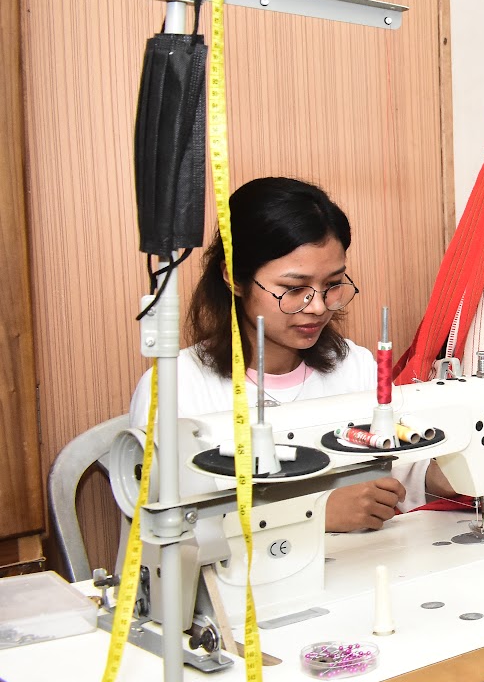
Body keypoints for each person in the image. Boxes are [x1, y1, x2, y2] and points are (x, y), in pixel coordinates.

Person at [129, 177, 454, 532]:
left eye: (331, 285)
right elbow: (167, 528)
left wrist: (449, 471)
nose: (316, 307)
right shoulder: (178, 388)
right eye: (294, 288)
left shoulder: (355, 367)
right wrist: (314, 514)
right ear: (234, 277)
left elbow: (399, 467)